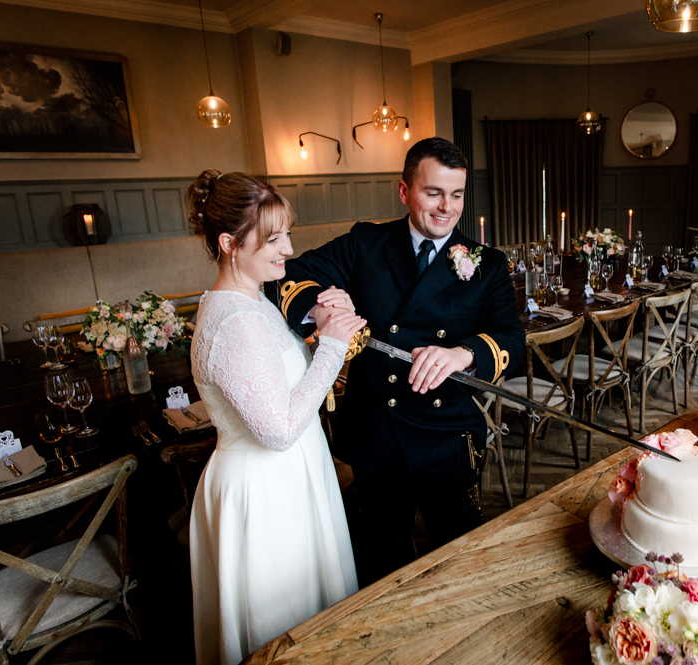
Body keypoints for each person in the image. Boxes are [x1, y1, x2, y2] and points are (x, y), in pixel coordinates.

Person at [265, 138, 524, 584]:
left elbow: (511, 340)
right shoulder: (366, 242)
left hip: (446, 436)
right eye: (434, 193)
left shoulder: (485, 263)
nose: (447, 208)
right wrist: (322, 309)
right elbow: (287, 275)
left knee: (456, 553)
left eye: (457, 194)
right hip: (376, 433)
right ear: (404, 191)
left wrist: (463, 353)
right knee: (382, 556)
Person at [186, 170, 366, 665]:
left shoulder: (249, 300)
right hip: (265, 497)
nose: (288, 249)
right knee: (281, 634)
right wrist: (331, 347)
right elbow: (279, 429)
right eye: (272, 238)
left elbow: (274, 377)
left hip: (286, 479)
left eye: (287, 233)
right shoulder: (236, 320)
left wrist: (318, 322)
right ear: (229, 243)